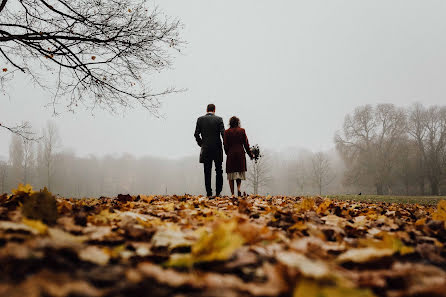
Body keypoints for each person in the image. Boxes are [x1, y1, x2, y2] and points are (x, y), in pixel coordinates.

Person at [194, 104, 225, 197]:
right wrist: (225, 145)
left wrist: (201, 144)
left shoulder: (200, 119)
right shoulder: (219, 119)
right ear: (214, 110)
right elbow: (223, 134)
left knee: (207, 171)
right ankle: (218, 192)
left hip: (206, 148)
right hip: (217, 148)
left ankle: (209, 192)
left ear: (206, 110)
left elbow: (196, 134)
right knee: (219, 170)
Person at [224, 116, 253, 197]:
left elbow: (225, 145)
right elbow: (246, 144)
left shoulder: (226, 132)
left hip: (231, 154)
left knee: (231, 175)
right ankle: (239, 188)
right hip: (240, 153)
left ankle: (232, 193)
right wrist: (250, 154)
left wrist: (228, 152)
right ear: (238, 122)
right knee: (239, 173)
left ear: (230, 123)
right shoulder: (242, 131)